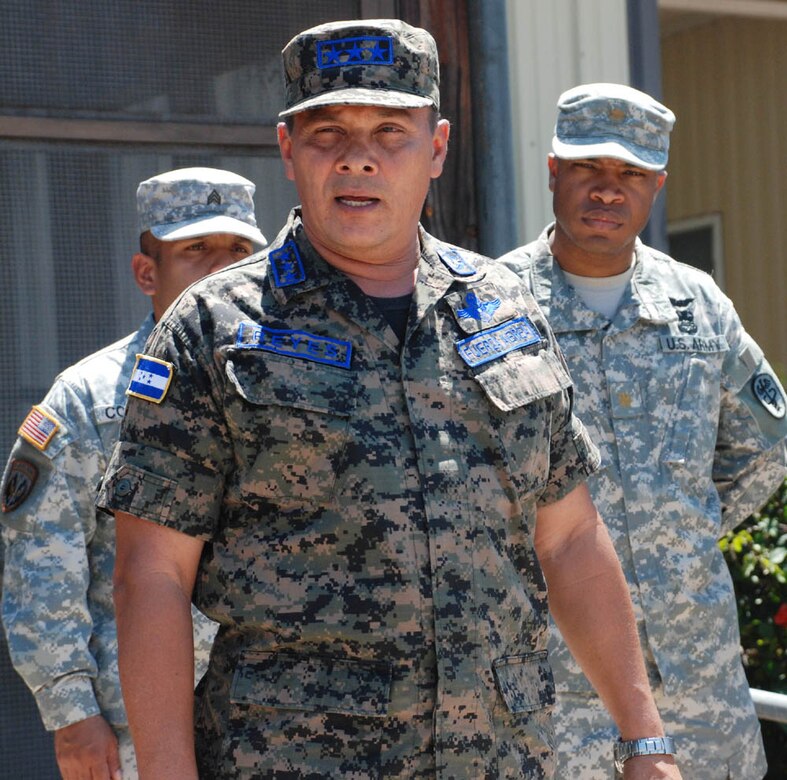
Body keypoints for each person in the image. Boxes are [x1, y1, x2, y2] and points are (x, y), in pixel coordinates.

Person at [98, 22, 682, 779]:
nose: (357, 156)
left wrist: (644, 736)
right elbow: (150, 576)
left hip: (497, 758)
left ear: (436, 148)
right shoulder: (214, 328)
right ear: (286, 148)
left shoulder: (503, 310)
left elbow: (568, 537)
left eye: (389, 131)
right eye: (328, 132)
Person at [500, 82, 787, 779]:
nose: (607, 190)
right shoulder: (493, 309)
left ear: (656, 185)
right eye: (587, 170)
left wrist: (677, 530)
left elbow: (765, 447)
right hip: (552, 689)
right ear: (552, 173)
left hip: (699, 684)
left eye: (629, 173)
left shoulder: (697, 307)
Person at [0, 166, 267, 780]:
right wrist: (70, 714)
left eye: (238, 251)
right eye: (195, 250)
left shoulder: (296, 386)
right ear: (148, 272)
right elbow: (41, 566)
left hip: (274, 726)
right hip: (134, 737)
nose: (221, 269)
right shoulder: (89, 400)